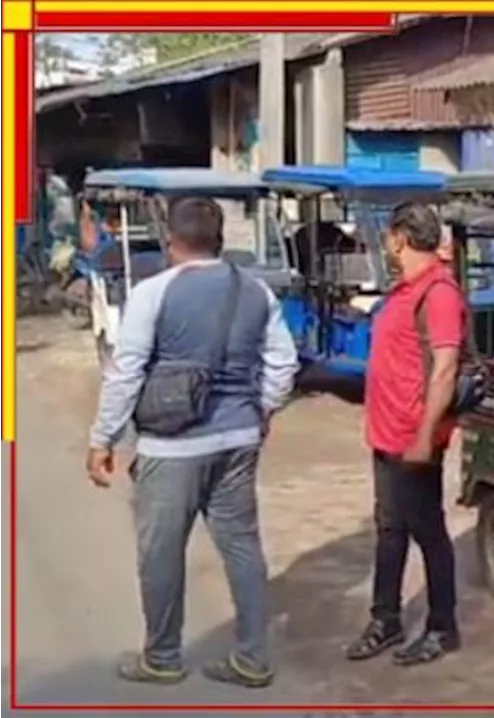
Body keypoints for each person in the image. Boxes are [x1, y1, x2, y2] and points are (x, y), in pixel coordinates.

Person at [85, 196, 300, 687]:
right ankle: (252, 658)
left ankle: (162, 658)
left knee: (160, 552)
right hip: (238, 438)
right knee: (243, 548)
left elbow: (126, 374)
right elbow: (283, 364)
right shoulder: (256, 292)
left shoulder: (153, 293)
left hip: (171, 447)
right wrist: (262, 409)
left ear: (171, 241)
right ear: (221, 241)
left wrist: (103, 440)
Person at [345, 202, 465, 667]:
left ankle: (442, 626)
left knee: (428, 532)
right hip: (386, 435)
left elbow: (446, 368)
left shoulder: (437, 293)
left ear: (399, 237)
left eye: (388, 236)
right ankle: (386, 618)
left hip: (413, 439)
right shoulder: (405, 291)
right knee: (389, 529)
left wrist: (423, 436)